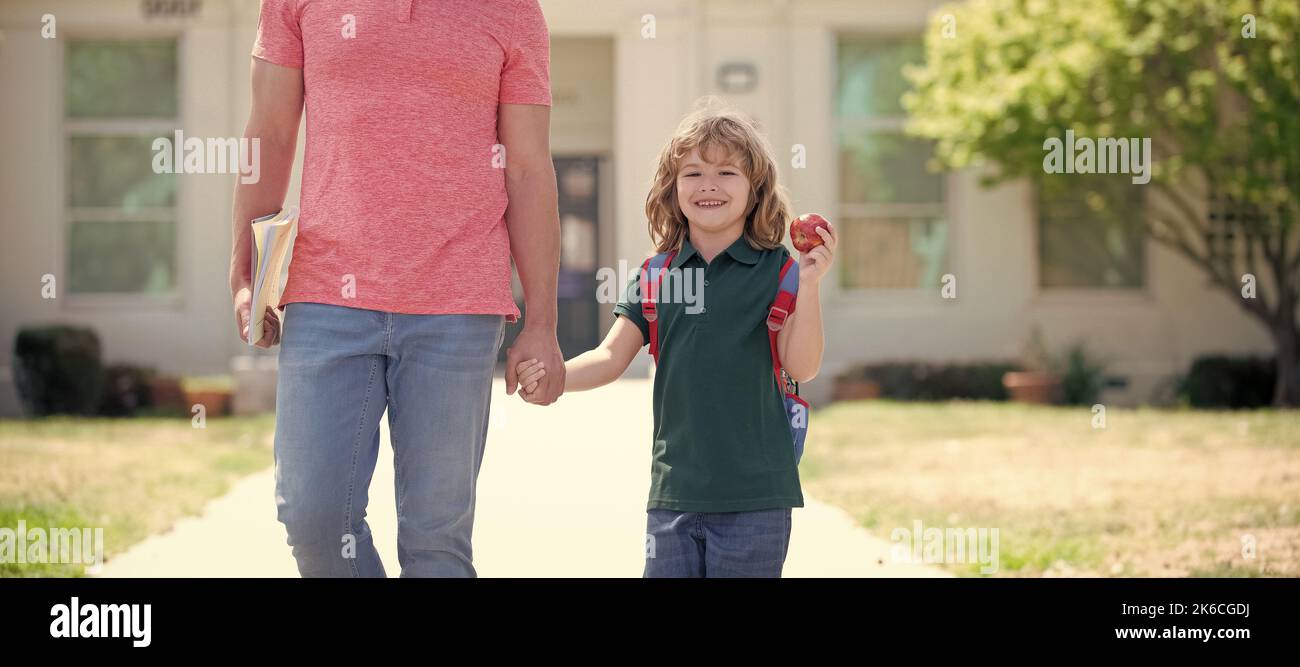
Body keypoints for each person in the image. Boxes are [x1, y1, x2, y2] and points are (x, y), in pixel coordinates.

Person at [229, 0, 565, 577]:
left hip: (458, 306)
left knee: (436, 541)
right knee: (313, 518)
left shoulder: (512, 10)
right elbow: (271, 131)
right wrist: (246, 276)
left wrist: (541, 323)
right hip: (325, 291)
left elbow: (528, 166)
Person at [515, 104, 837, 577]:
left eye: (727, 171)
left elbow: (802, 366)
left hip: (757, 497)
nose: (709, 184)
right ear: (673, 188)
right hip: (672, 497)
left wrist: (809, 286)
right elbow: (609, 356)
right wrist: (555, 378)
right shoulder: (656, 274)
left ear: (755, 191)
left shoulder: (781, 271)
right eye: (693, 172)